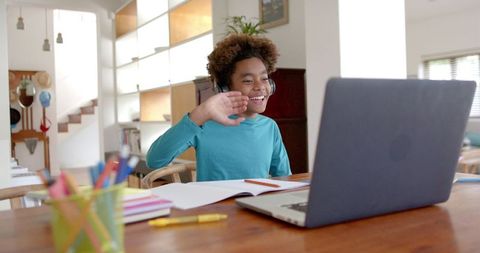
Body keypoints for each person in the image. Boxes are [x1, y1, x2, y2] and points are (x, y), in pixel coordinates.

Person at [146, 34, 291, 181]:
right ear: (225, 88)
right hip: (214, 204)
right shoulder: (203, 124)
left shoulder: (270, 127)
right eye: (248, 81)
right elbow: (154, 161)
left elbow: (284, 177)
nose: (260, 87)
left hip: (253, 203)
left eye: (264, 79)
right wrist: (198, 115)